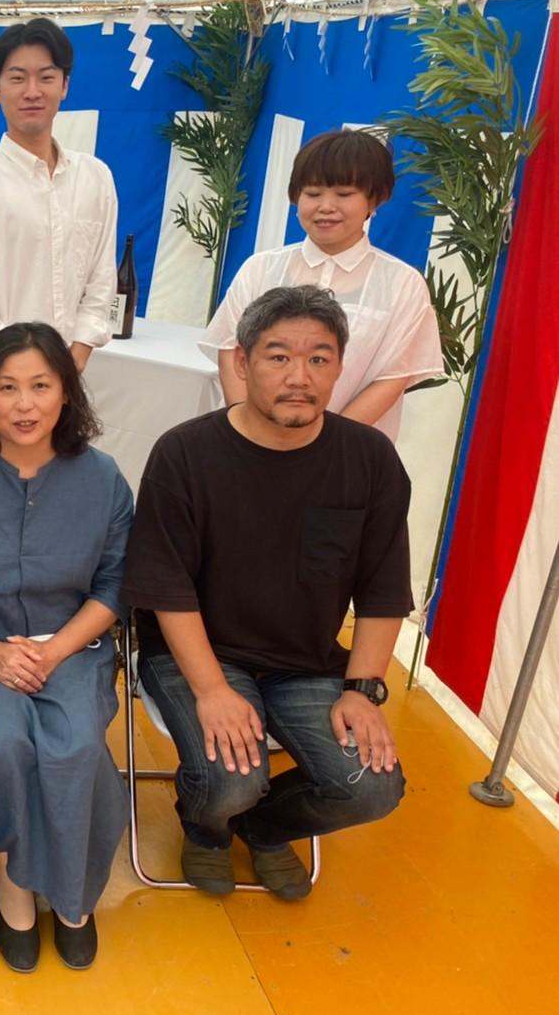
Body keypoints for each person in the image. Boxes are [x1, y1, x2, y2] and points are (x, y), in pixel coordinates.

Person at [123, 285, 409, 900]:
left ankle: (261, 827)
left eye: (319, 358)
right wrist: (212, 690)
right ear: (244, 362)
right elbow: (167, 589)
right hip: (197, 654)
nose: (298, 376)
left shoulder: (370, 459)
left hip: (305, 662)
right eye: (278, 357)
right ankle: (206, 828)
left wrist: (362, 691)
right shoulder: (185, 454)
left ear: (339, 367)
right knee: (231, 776)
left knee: (372, 785)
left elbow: (384, 589)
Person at [0, 322, 131, 973]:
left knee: (72, 746)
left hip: (74, 645)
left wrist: (58, 648)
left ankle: (72, 898)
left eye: (41, 385)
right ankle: (14, 889)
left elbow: (116, 582)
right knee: (4, 739)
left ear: (66, 393)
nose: (24, 403)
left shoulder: (103, 478)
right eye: (6, 387)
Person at [201, 128, 443, 440]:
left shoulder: (402, 283)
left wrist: (320, 446)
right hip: (247, 446)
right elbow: (230, 351)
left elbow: (391, 379)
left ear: (375, 200)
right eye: (313, 194)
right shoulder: (261, 267)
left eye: (344, 194)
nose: (326, 206)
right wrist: (253, 433)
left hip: (344, 452)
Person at [0, 17, 119, 420]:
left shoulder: (95, 178)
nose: (33, 91)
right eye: (18, 78)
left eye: (46, 76)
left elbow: (101, 281)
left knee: (62, 484)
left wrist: (70, 363)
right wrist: (20, 380)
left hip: (64, 381)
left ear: (65, 85)